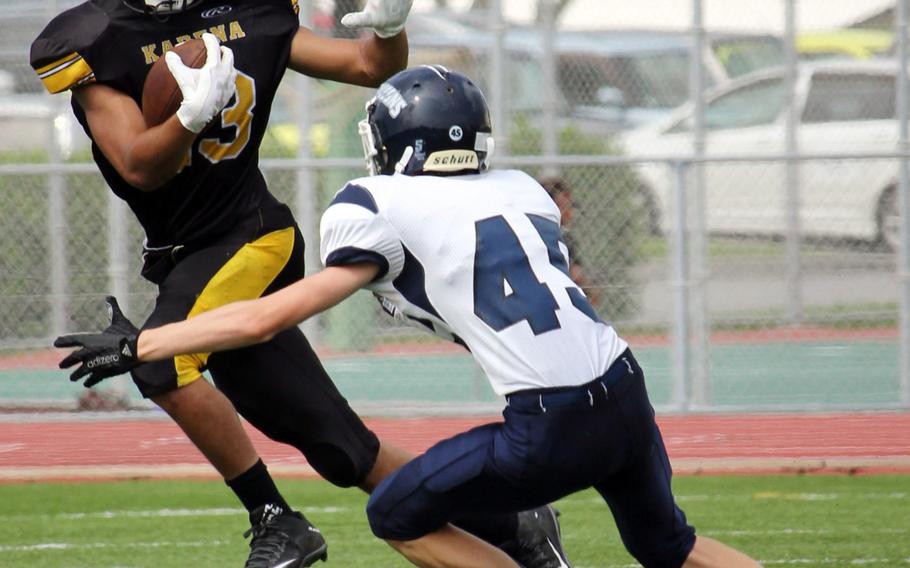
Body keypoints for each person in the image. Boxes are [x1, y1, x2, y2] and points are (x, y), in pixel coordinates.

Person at [52, 64, 763, 567]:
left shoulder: (379, 205)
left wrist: (148, 340)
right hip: (626, 389)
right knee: (669, 547)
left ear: (399, 143)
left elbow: (265, 318)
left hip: (550, 424)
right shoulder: (522, 190)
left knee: (394, 512)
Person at [36, 3, 568, 567]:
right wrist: (187, 119)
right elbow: (140, 166)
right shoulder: (97, 36)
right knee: (342, 449)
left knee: (161, 364)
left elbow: (368, 67)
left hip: (251, 237)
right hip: (186, 257)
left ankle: (276, 519)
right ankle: (513, 521)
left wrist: (389, 29)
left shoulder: (249, 11)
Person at [538, 177, 601, 307]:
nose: (570, 212)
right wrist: (591, 290)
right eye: (565, 207)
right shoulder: (561, 238)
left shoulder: (524, 232)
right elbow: (577, 277)